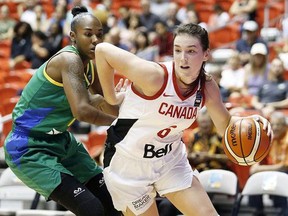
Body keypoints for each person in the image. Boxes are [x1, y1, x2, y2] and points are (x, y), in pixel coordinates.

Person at [95, 23, 272, 216]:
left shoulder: (207, 87)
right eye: (177, 50)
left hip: (170, 160)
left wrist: (252, 123)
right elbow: (103, 50)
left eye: (191, 51)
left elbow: (226, 127)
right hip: (128, 164)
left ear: (206, 54)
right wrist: (111, 98)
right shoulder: (154, 76)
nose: (182, 58)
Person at [4, 6, 124, 216]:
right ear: (73, 37)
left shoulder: (90, 64)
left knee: (114, 201)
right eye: (88, 34)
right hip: (28, 147)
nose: (95, 39)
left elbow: (106, 103)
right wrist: (120, 123)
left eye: (99, 34)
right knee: (92, 209)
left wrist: (126, 107)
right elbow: (82, 112)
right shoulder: (69, 60)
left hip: (60, 140)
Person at [249, 111, 288, 215]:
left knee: (282, 176)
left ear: (285, 126)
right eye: (273, 124)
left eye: (278, 124)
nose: (275, 127)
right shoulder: (270, 136)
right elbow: (259, 156)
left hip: (284, 172)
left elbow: (284, 166)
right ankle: (258, 210)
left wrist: (260, 169)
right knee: (254, 175)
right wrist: (256, 164)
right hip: (274, 171)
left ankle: (283, 209)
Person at [185, 108, 230, 172]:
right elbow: (187, 155)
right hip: (198, 170)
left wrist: (210, 157)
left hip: (219, 170)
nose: (204, 127)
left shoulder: (221, 135)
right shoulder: (194, 135)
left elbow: (229, 159)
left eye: (206, 126)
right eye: (201, 125)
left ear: (212, 122)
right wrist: (192, 156)